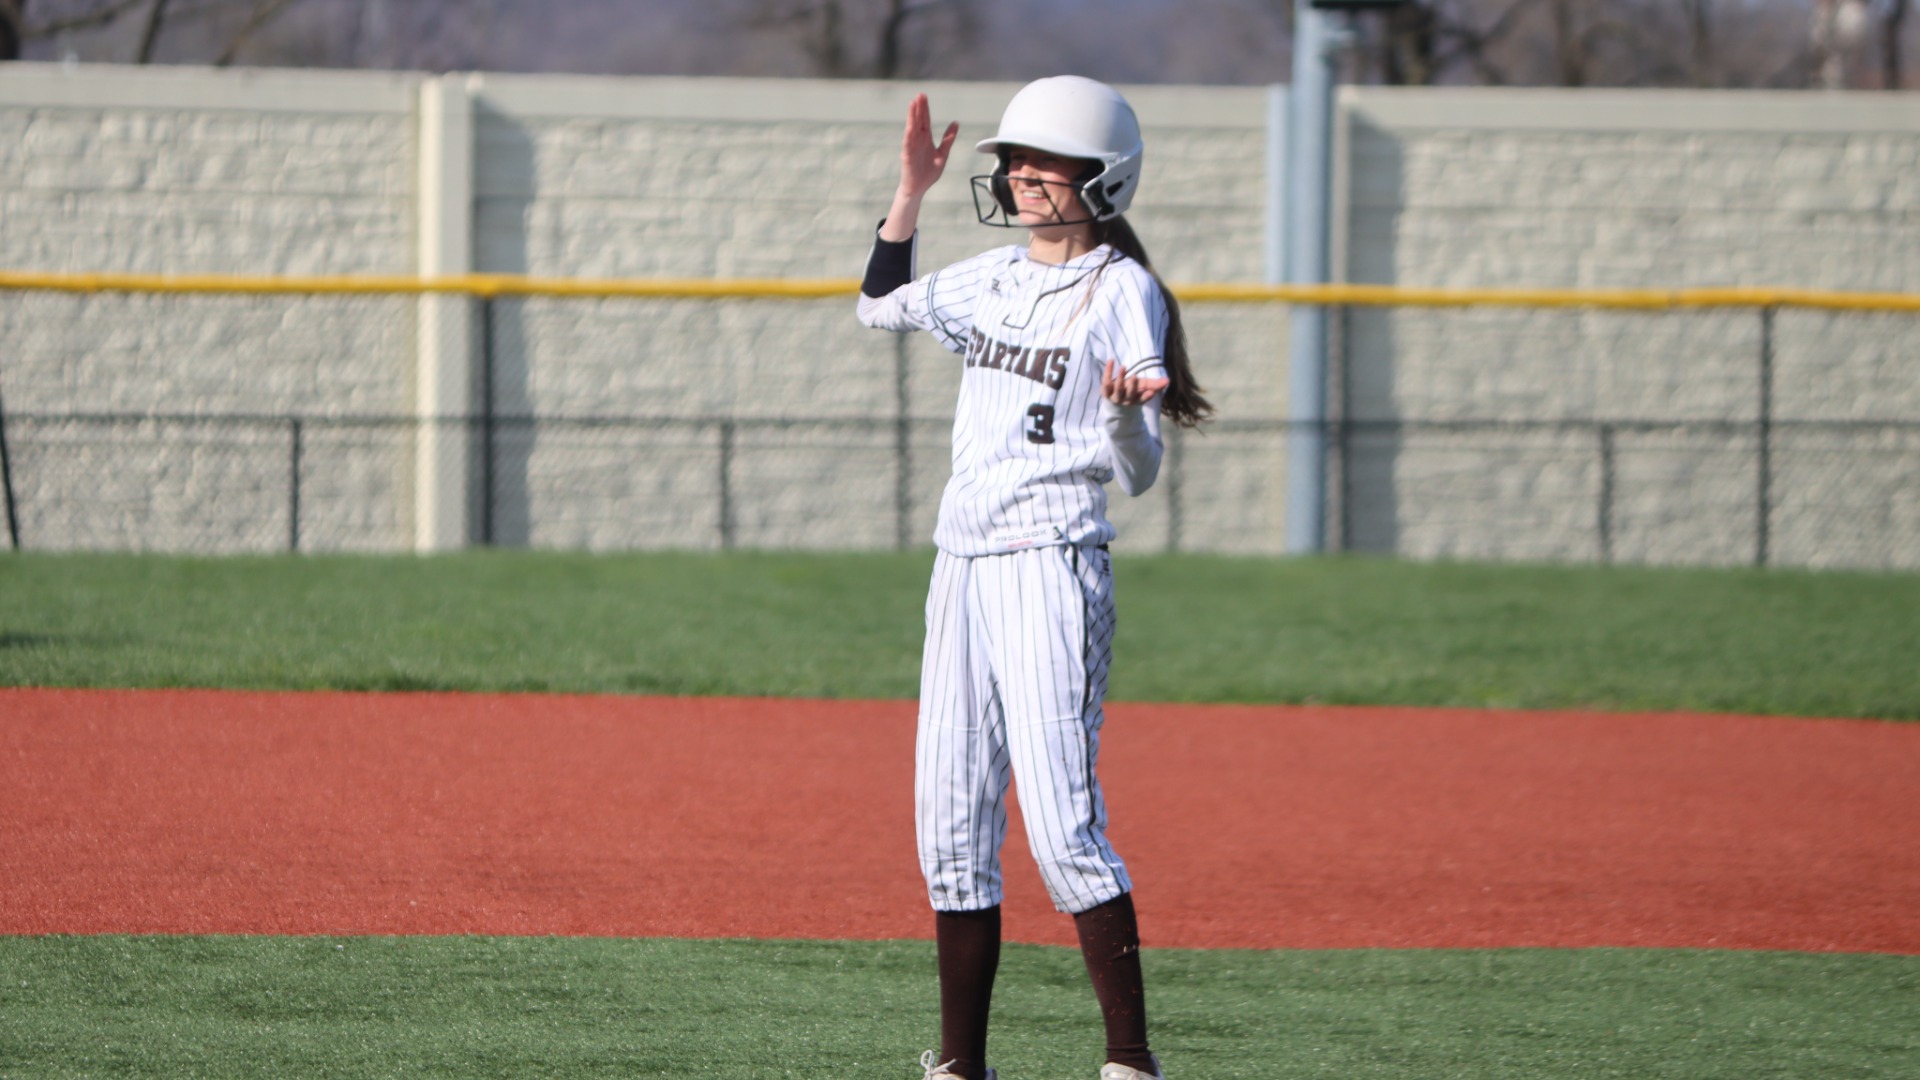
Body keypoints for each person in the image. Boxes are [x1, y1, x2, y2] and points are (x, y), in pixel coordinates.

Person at [855, 75, 1212, 1080]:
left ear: (1102, 179)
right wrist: (910, 193)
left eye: (1041, 161)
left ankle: (1130, 1062)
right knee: (950, 828)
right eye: (1013, 160)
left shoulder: (1121, 289)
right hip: (960, 567)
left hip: (1052, 562)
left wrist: (1130, 413)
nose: (1017, 175)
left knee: (1063, 830)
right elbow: (876, 308)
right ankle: (960, 1067)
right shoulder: (993, 276)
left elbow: (1138, 473)